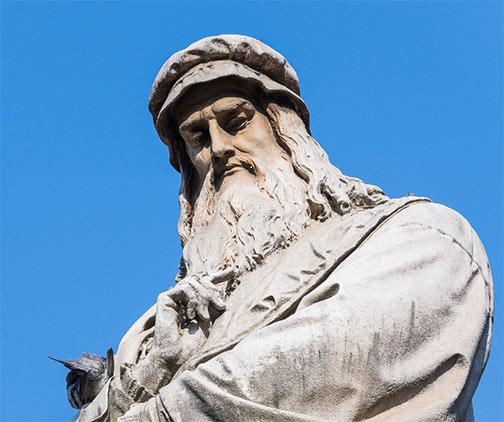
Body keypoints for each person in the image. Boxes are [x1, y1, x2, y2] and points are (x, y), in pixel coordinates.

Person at [69, 35, 493, 422]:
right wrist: (151, 370)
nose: (218, 149)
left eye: (236, 121)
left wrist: (157, 411)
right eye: (197, 137)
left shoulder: (415, 236)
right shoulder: (151, 333)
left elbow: (328, 371)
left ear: (284, 129)